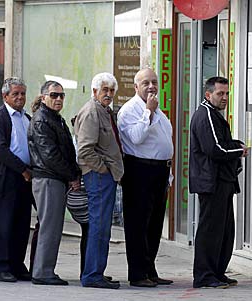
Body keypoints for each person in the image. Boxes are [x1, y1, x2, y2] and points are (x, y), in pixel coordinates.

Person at [190, 77, 248, 289]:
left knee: (224, 231)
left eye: (226, 94)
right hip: (211, 182)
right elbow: (215, 149)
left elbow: (221, 144)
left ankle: (216, 272)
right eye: (220, 94)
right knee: (210, 230)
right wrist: (239, 150)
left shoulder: (214, 114)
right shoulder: (205, 115)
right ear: (208, 94)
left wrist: (235, 145)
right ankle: (204, 275)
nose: (224, 98)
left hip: (221, 181)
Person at [117, 68, 173, 287]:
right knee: (138, 224)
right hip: (139, 170)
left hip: (159, 171)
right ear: (135, 86)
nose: (151, 87)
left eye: (154, 82)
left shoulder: (158, 109)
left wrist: (168, 174)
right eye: (146, 83)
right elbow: (137, 138)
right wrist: (147, 112)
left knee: (155, 224)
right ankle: (138, 274)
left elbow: (165, 141)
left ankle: (150, 269)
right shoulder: (130, 110)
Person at [28, 80, 81, 286]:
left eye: (61, 95)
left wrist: (72, 173)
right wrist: (72, 175)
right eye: (54, 95)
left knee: (52, 226)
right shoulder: (42, 119)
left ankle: (44, 269)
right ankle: (42, 272)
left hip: (54, 178)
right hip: (48, 178)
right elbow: (50, 155)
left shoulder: (54, 118)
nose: (58, 99)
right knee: (50, 226)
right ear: (43, 97)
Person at [74, 72, 123, 289]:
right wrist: (104, 169)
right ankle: (92, 275)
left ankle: (96, 272)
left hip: (105, 176)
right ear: (95, 91)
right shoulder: (92, 112)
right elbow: (84, 150)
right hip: (98, 176)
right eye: (105, 90)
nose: (109, 94)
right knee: (99, 226)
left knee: (102, 226)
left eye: (112, 91)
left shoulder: (104, 111)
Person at [0, 77, 33, 283]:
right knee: (4, 224)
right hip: (7, 175)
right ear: (5, 96)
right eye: (15, 94)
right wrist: (21, 168)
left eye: (22, 93)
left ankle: (17, 264)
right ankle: (1, 267)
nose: (20, 97)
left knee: (21, 224)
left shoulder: (26, 118)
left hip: (26, 177)